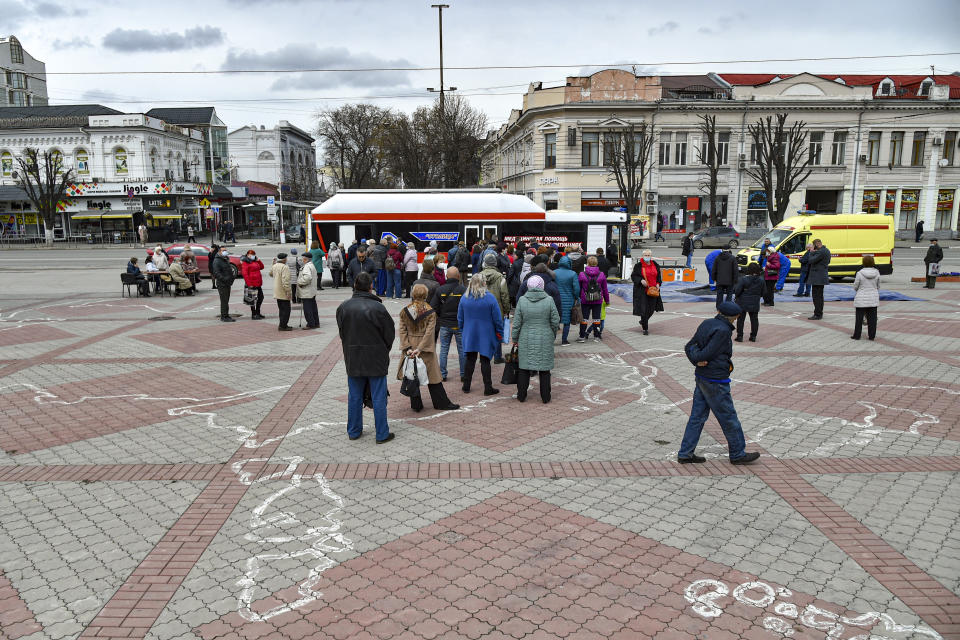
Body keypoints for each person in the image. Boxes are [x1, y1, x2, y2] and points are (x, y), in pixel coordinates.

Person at [677, 301, 760, 466]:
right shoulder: (723, 331)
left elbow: (689, 347)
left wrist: (695, 360)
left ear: (718, 311)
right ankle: (737, 453)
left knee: (697, 417)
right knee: (729, 417)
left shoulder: (708, 323)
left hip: (702, 377)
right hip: (715, 380)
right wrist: (699, 359)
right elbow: (707, 353)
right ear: (735, 317)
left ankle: (685, 453)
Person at [337, 272, 395, 443]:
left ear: (355, 285)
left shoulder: (343, 307)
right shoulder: (378, 308)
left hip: (353, 356)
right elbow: (389, 334)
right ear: (371, 287)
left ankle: (354, 431)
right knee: (379, 396)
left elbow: (343, 333)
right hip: (376, 357)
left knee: (354, 395)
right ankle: (382, 433)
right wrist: (383, 349)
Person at [398, 284, 460, 412]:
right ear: (426, 295)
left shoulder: (405, 311)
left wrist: (407, 347)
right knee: (434, 376)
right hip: (425, 347)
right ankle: (441, 402)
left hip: (410, 345)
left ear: (413, 294)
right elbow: (429, 333)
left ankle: (416, 405)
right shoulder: (430, 311)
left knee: (411, 374)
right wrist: (420, 348)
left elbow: (402, 330)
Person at [512, 275, 560, 404]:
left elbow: (517, 323)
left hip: (525, 337)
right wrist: (552, 333)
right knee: (544, 369)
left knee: (524, 367)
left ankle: (521, 395)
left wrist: (515, 338)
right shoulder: (549, 300)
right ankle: (545, 397)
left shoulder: (522, 300)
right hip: (545, 337)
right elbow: (555, 320)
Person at [457, 273, 504, 396]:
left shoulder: (464, 298)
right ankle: (488, 387)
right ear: (484, 283)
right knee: (485, 360)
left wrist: (463, 330)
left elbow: (460, 318)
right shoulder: (490, 298)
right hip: (486, 333)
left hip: (470, 332)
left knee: (470, 359)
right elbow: (497, 319)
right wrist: (500, 333)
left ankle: (466, 386)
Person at [431, 267, 466, 383]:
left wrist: (440, 317)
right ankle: (463, 374)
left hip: (445, 324)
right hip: (459, 324)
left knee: (444, 349)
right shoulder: (463, 290)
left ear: (446, 277)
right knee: (462, 349)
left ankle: (443, 374)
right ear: (458, 276)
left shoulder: (440, 290)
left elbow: (433, 307)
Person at [480, 253, 511, 362]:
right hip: (497, 309)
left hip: (482, 309)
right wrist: (507, 310)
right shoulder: (500, 277)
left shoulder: (479, 276)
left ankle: (484, 356)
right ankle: (497, 356)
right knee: (497, 332)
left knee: (483, 332)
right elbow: (504, 295)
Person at [631, 249, 663, 335]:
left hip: (653, 290)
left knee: (652, 309)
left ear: (651, 256)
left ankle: (643, 321)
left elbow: (659, 276)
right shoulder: (638, 266)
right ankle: (645, 328)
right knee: (644, 310)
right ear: (642, 256)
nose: (647, 257)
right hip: (642, 291)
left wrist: (658, 283)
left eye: (649, 255)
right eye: (646, 255)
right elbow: (634, 276)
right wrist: (640, 280)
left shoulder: (655, 264)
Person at [577, 256, 609, 342]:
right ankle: (596, 336)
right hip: (597, 300)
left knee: (584, 318)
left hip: (585, 300)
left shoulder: (582, 274)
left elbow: (578, 288)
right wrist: (607, 300)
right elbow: (605, 289)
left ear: (587, 263)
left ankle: (582, 336)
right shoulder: (601, 274)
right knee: (597, 318)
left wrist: (578, 297)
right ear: (596, 263)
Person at [553, 256, 580, 346]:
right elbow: (576, 289)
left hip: (556, 299)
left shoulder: (554, 272)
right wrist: (576, 297)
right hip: (568, 299)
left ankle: (551, 339)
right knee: (567, 320)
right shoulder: (573, 274)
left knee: (554, 320)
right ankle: (564, 340)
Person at [733, 263, 763, 342]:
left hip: (742, 301)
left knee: (740, 320)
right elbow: (764, 292)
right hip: (754, 302)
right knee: (754, 320)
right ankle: (753, 336)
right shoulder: (761, 280)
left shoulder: (743, 279)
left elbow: (737, 291)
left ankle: (740, 336)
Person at [852, 256, 880, 341]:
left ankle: (857, 335)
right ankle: (872, 336)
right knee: (872, 319)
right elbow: (878, 286)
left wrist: (859, 289)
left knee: (859, 318)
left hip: (861, 298)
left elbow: (855, 286)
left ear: (863, 262)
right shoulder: (877, 273)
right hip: (873, 297)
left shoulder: (859, 273)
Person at [807, 238, 831, 319]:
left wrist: (811, 252)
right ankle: (819, 313)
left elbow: (811, 260)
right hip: (821, 276)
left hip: (817, 277)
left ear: (816, 245)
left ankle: (817, 314)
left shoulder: (821, 251)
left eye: (814, 246)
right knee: (820, 296)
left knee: (816, 296)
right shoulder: (827, 250)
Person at [210, 247, 235, 321]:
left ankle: (226, 315)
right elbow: (216, 273)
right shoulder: (217, 261)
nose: (225, 251)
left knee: (226, 300)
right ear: (219, 252)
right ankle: (224, 316)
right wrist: (225, 279)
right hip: (222, 284)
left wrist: (231, 278)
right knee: (224, 301)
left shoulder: (225, 259)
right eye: (223, 250)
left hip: (227, 283)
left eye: (226, 250)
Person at [270, 252, 293, 331]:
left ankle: (282, 324)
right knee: (286, 310)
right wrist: (288, 292)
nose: (287, 259)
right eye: (286, 258)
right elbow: (285, 281)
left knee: (281, 309)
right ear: (284, 259)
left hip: (277, 291)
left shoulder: (275, 265)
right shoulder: (285, 267)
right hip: (283, 291)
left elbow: (270, 274)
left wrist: (273, 264)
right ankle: (283, 326)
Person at [297, 251, 320, 329]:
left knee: (308, 309)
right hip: (311, 291)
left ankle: (311, 324)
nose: (302, 260)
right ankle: (316, 323)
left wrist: (300, 282)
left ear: (306, 259)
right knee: (313, 308)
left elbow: (308, 277)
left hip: (306, 291)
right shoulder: (312, 265)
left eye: (303, 258)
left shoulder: (307, 266)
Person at [240, 249, 265, 319]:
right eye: (252, 255)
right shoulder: (245, 262)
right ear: (248, 255)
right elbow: (245, 274)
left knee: (261, 298)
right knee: (252, 300)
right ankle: (254, 314)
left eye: (254, 255)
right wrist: (249, 284)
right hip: (251, 284)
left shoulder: (254, 261)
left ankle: (258, 312)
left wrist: (258, 260)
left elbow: (262, 267)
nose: (253, 256)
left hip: (258, 283)